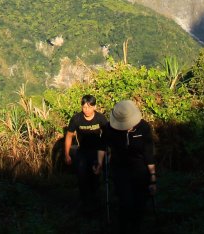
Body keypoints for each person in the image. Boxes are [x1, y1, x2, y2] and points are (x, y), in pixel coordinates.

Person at [95, 99, 156, 233]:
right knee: (125, 201)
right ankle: (123, 227)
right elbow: (102, 146)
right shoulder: (109, 128)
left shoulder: (144, 127)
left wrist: (152, 177)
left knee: (140, 202)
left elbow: (148, 153)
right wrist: (99, 163)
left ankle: (136, 226)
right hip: (120, 168)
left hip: (140, 169)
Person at [64, 93, 107, 216]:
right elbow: (69, 136)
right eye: (84, 107)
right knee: (82, 177)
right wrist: (66, 154)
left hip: (98, 151)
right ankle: (84, 204)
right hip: (82, 151)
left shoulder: (100, 118)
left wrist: (109, 151)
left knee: (95, 177)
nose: (86, 110)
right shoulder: (76, 119)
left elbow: (107, 135)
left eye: (89, 107)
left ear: (94, 107)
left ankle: (96, 203)